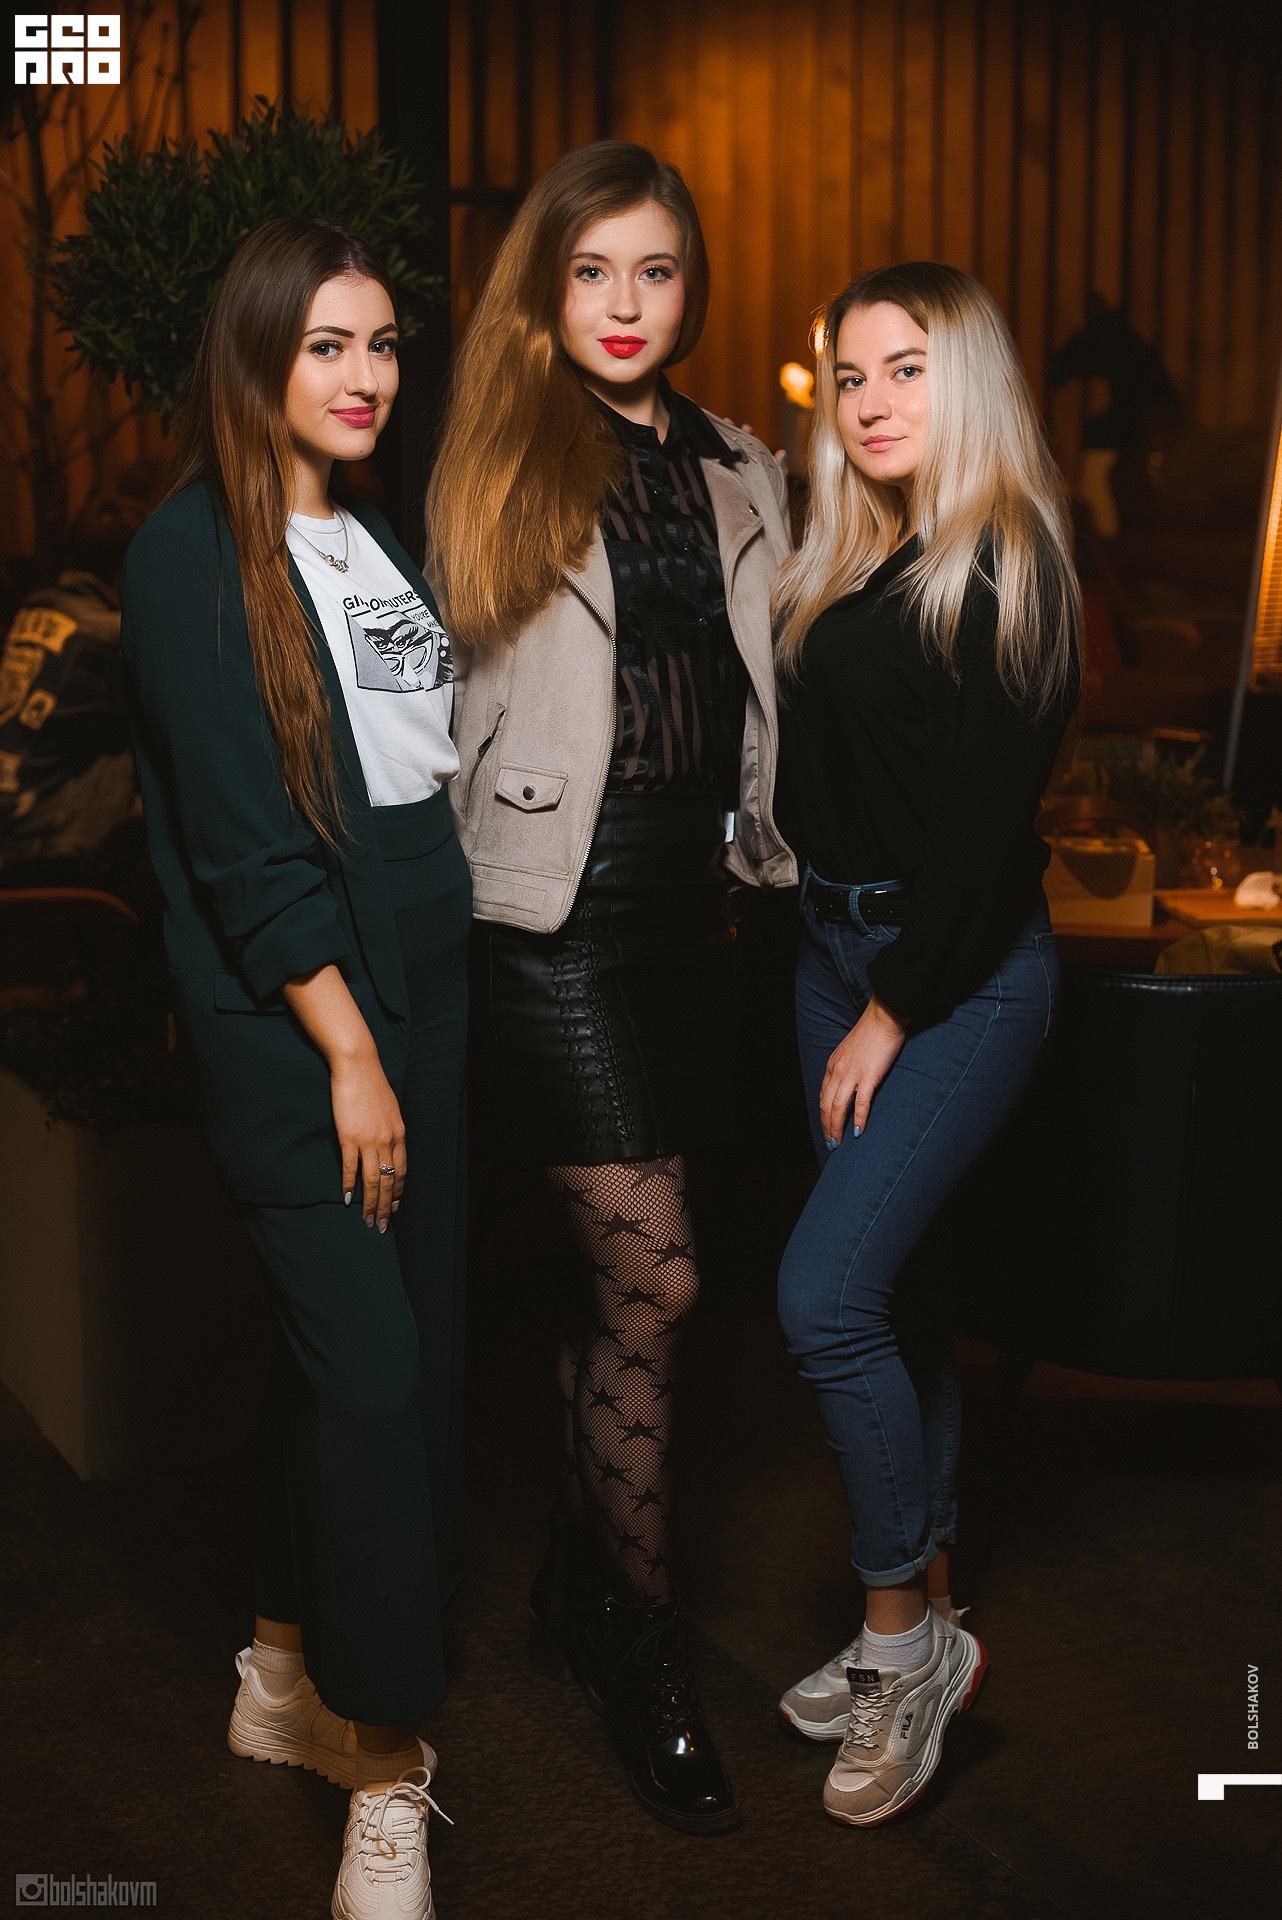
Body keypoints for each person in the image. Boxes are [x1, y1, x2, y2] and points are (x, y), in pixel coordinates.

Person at [428, 140, 795, 1835]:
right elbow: (429, 694)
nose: (625, 303)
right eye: (591, 272)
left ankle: (578, 1584)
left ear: (687, 285)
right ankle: (641, 1643)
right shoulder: (501, 443)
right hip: (548, 919)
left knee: (610, 1299)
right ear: (548, 287)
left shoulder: (738, 462)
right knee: (660, 1282)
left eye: (653, 270)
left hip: (698, 919)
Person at [120, 216, 468, 1920]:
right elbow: (245, 844)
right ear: (255, 353)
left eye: (382, 343)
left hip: (432, 981)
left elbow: (417, 767)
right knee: (379, 1374)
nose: (364, 374)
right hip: (304, 1014)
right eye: (328, 343)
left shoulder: (373, 531)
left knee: (365, 1356)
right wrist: (346, 1050)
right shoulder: (190, 552)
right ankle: (385, 1772)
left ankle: (273, 1671)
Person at [771, 262, 1081, 1827]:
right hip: (835, 953)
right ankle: (931, 1617)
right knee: (896, 1295)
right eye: (850, 375)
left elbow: (973, 843)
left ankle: (902, 1644)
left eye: (905, 368)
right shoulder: (862, 552)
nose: (870, 399)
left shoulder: (1005, 561)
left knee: (823, 1298)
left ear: (966, 384)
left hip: (949, 975)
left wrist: (891, 1007)